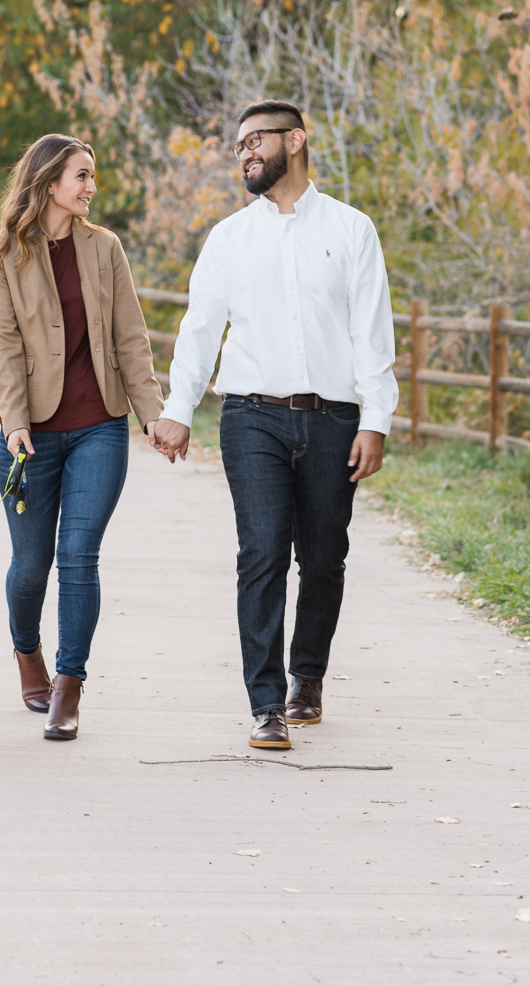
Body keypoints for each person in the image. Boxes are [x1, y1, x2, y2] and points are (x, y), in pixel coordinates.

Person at [152, 100, 397, 750]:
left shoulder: (352, 230)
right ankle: (266, 704)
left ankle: (306, 677)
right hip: (251, 416)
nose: (246, 154)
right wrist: (178, 409)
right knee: (261, 552)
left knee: (323, 557)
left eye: (255, 141)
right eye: (239, 147)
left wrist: (375, 419)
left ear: (296, 140)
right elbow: (200, 329)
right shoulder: (229, 238)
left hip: (333, 419)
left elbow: (372, 333)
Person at [0, 133, 163, 740]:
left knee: (80, 557)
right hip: (29, 434)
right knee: (32, 565)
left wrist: (152, 415)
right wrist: (14, 421)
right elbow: (3, 347)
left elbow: (131, 337)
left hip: (99, 426)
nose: (91, 187)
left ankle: (68, 685)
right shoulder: (0, 253)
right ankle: (26, 652)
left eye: (91, 175)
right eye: (82, 175)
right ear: (49, 180)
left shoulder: (105, 247)